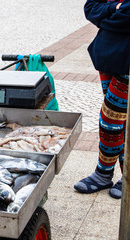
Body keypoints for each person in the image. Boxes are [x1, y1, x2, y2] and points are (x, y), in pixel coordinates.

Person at [74, 0, 130, 199]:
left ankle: (103, 173)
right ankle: (117, 175)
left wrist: (106, 17)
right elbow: (90, 8)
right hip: (107, 55)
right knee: (120, 122)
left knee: (110, 121)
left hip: (127, 61)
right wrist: (112, 10)